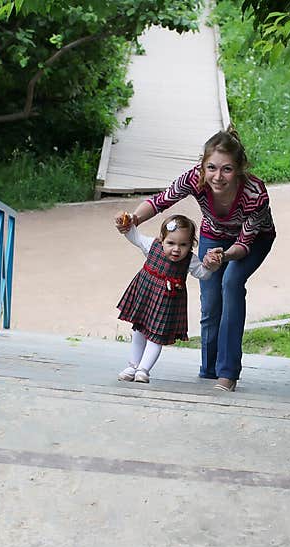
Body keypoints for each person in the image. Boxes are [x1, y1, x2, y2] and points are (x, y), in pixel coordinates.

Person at [114, 126, 276, 391]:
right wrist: (133, 219)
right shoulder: (194, 179)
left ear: (239, 169)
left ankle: (228, 373)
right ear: (202, 166)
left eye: (227, 169)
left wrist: (222, 256)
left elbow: (243, 245)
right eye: (211, 167)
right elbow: (160, 201)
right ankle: (209, 369)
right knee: (211, 299)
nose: (218, 176)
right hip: (214, 233)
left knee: (231, 283)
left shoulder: (255, 194)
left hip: (252, 241)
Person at [114, 214, 220, 384]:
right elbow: (135, 236)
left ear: (191, 244)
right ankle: (132, 366)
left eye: (183, 244)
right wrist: (125, 223)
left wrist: (210, 267)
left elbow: (203, 274)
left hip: (167, 302)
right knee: (139, 330)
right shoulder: (152, 245)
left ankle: (143, 369)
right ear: (162, 239)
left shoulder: (190, 260)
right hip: (145, 295)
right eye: (171, 243)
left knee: (157, 335)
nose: (177, 249)